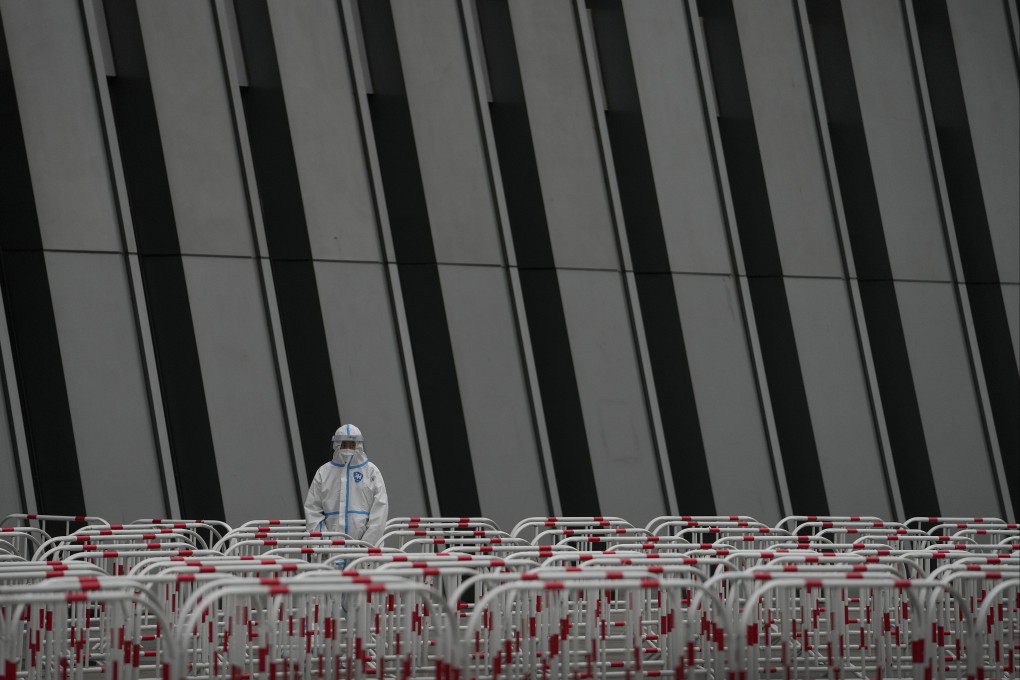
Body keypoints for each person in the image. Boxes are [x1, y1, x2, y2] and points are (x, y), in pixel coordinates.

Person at [304, 423, 388, 545]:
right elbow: (312, 510)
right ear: (337, 445)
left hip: (365, 554)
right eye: (344, 444)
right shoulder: (324, 472)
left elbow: (380, 512)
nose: (348, 448)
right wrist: (324, 543)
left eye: (352, 444)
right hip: (331, 549)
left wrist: (365, 545)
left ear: (358, 445)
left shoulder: (371, 472)